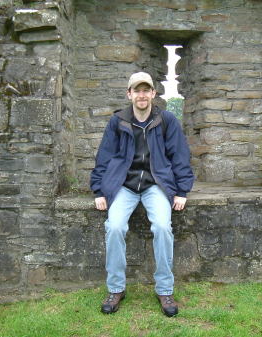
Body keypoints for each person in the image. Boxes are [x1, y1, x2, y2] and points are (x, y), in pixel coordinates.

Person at [90, 72, 194, 317]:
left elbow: (180, 156)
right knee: (114, 226)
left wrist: (181, 190)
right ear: (129, 94)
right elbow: (104, 157)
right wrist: (98, 189)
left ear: (153, 94)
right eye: (137, 90)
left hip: (154, 184)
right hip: (123, 186)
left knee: (162, 226)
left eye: (146, 90)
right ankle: (116, 289)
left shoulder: (166, 120)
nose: (142, 95)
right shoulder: (117, 122)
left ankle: (165, 289)